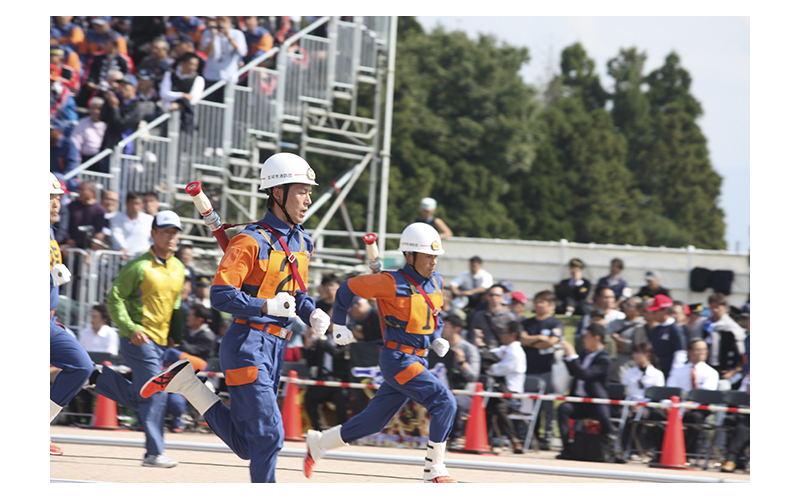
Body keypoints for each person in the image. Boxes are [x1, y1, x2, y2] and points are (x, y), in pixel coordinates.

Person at [139, 153, 330, 483]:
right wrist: (266, 306)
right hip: (247, 345)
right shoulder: (248, 240)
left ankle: (190, 386)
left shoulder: (303, 241)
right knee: (270, 437)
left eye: (309, 192)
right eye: (302, 191)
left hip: (275, 349)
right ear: (278, 193)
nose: (308, 199)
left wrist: (311, 312)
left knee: (249, 444)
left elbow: (295, 294)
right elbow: (221, 295)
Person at [303, 222, 458, 483]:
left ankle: (319, 442)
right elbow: (347, 288)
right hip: (398, 359)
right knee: (444, 401)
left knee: (373, 422)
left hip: (418, 358)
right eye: (428, 256)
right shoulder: (389, 282)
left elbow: (433, 317)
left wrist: (437, 338)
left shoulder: (437, 282)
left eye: (436, 256)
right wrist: (339, 324)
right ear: (410, 256)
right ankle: (434, 468)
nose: (433, 261)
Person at [89, 211, 186, 468]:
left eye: (174, 232)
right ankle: (153, 454)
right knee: (156, 393)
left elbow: (175, 304)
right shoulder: (138, 266)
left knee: (144, 395)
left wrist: (176, 335)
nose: (170, 237)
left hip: (162, 343)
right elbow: (114, 298)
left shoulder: (179, 268)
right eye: (165, 232)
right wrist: (130, 328)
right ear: (153, 234)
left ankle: (97, 378)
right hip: (138, 339)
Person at [50, 173, 95, 456]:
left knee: (81, 366)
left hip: (49, 320)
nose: (57, 203)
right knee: (80, 365)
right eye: (50, 198)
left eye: (58, 198)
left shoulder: (50, 232)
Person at [556, 323, 615, 460]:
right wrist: (567, 357)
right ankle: (567, 447)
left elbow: (585, 374)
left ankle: (612, 449)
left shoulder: (604, 359)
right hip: (579, 401)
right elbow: (574, 372)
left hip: (595, 401)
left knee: (604, 418)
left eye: (586, 337)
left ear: (596, 338)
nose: (583, 340)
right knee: (563, 409)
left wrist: (572, 355)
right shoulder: (585, 354)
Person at [519, 290, 564, 450]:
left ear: (551, 305)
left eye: (542, 302)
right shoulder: (527, 322)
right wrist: (540, 339)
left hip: (546, 369)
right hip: (528, 369)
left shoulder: (555, 323)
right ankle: (531, 436)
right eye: (536, 301)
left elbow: (552, 341)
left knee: (547, 406)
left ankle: (548, 438)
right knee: (528, 405)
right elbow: (522, 339)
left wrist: (539, 341)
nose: (538, 305)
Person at [302, 301, 351, 430]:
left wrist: (320, 341)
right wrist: (308, 346)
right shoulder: (323, 339)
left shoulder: (346, 338)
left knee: (341, 400)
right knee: (309, 398)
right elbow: (311, 362)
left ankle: (342, 431)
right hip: (322, 380)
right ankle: (316, 428)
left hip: (339, 382)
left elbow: (338, 355)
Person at [665, 338, 719, 454]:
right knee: (657, 415)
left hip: (698, 408)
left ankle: (686, 453)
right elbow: (670, 390)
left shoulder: (711, 373)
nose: (701, 353)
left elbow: (706, 393)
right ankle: (663, 451)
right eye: (698, 350)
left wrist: (690, 404)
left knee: (695, 418)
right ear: (689, 351)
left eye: (704, 350)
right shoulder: (678, 371)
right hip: (677, 406)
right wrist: (670, 405)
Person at [483, 320, 527, 454]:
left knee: (499, 407)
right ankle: (486, 439)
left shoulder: (515, 353)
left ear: (513, 335)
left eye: (504, 332)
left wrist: (490, 364)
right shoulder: (505, 349)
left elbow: (494, 370)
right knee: (481, 403)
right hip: (499, 392)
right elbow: (490, 354)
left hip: (512, 395)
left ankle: (514, 440)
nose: (501, 335)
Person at [438, 314, 480, 446]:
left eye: (445, 326)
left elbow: (473, 376)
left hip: (462, 391)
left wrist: (461, 361)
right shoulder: (437, 347)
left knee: (453, 401)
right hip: (439, 387)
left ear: (456, 329)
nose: (441, 329)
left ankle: (455, 437)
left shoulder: (469, 349)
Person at [619, 342, 665, 454]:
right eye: (634, 353)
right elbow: (624, 392)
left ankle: (640, 449)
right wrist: (631, 404)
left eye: (638, 353)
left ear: (647, 355)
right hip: (630, 405)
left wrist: (641, 405)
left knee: (642, 415)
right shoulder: (629, 373)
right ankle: (624, 449)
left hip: (648, 406)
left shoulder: (657, 374)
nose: (634, 356)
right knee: (628, 415)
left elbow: (658, 395)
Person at [694, 293, 747, 390]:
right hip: (705, 367)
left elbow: (742, 352)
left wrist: (735, 370)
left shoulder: (732, 328)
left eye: (717, 307)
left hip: (723, 369)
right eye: (712, 307)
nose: (714, 310)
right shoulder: (703, 324)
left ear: (725, 308)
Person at [98, 75, 143, 175]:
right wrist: (108, 102)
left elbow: (122, 124)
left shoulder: (136, 106)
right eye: (120, 86)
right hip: (109, 146)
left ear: (134, 88)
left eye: (125, 86)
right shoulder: (118, 102)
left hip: (123, 150)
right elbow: (103, 117)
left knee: (119, 181)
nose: (122, 89)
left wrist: (114, 108)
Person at [200, 16, 247, 103]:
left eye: (223, 20)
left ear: (230, 21)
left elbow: (242, 52)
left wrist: (229, 37)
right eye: (218, 20)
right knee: (210, 104)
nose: (220, 23)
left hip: (228, 76)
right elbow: (207, 53)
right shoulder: (208, 33)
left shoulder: (237, 34)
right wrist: (213, 36)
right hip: (211, 75)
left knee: (226, 105)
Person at [158, 52, 205, 133]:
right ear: (182, 63)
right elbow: (163, 94)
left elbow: (193, 99)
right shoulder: (169, 75)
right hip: (165, 110)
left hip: (186, 116)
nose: (193, 67)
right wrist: (182, 95)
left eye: (195, 65)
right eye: (191, 64)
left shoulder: (198, 79)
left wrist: (177, 105)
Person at [645, 294, 687, 381]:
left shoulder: (675, 329)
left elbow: (680, 353)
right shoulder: (656, 329)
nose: (653, 314)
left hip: (669, 373)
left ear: (666, 311)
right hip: (656, 373)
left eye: (655, 311)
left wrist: (674, 375)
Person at [609, 296, 649, 381]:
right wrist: (621, 346)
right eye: (625, 304)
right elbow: (607, 342)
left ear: (639, 310)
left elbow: (636, 347)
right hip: (612, 369)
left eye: (629, 305)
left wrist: (617, 340)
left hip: (629, 370)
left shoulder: (643, 326)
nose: (625, 307)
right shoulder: (615, 323)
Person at [468, 284, 518, 349]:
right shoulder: (478, 316)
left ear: (502, 297)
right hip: (482, 352)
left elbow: (513, 339)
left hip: (502, 352)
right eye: (491, 295)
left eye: (497, 295)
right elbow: (471, 335)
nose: (494, 297)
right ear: (486, 296)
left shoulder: (510, 317)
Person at [64, 180, 108, 250]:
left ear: (93, 192)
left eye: (82, 190)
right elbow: (65, 225)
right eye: (78, 189)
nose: (79, 192)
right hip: (70, 246)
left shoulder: (99, 210)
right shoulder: (72, 206)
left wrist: (79, 242)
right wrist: (69, 240)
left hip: (89, 248)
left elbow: (97, 231)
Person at [109, 191, 154, 259]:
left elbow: (153, 238)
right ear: (126, 204)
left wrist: (149, 250)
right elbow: (117, 234)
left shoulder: (149, 219)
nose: (135, 207)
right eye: (132, 204)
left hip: (143, 256)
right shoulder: (117, 217)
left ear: (142, 205)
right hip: (122, 256)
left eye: (138, 204)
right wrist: (123, 247)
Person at [71, 97, 107, 164]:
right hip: (87, 160)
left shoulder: (108, 123)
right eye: (94, 108)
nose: (97, 111)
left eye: (99, 109)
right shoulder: (82, 123)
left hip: (104, 160)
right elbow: (75, 142)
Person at [50, 119, 80, 191]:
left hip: (65, 180)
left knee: (58, 177)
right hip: (51, 179)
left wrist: (60, 178)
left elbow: (72, 166)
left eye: (51, 130)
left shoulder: (68, 145)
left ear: (59, 131)